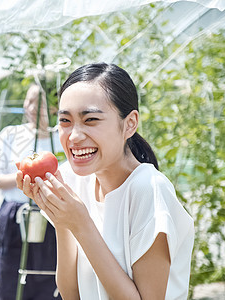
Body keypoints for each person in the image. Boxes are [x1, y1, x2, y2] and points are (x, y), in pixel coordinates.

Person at [17, 63, 194, 300]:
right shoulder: (71, 179)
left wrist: (81, 224)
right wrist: (61, 219)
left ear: (130, 123)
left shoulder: (148, 190)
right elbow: (72, 294)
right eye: (65, 121)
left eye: (90, 120)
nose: (74, 136)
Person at [0, 85, 63, 300]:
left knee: (49, 281)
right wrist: (28, 177)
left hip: (52, 216)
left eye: (39, 103)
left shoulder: (62, 138)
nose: (31, 107)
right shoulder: (11, 135)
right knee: (10, 278)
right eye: (28, 101)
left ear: (55, 107)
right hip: (15, 216)